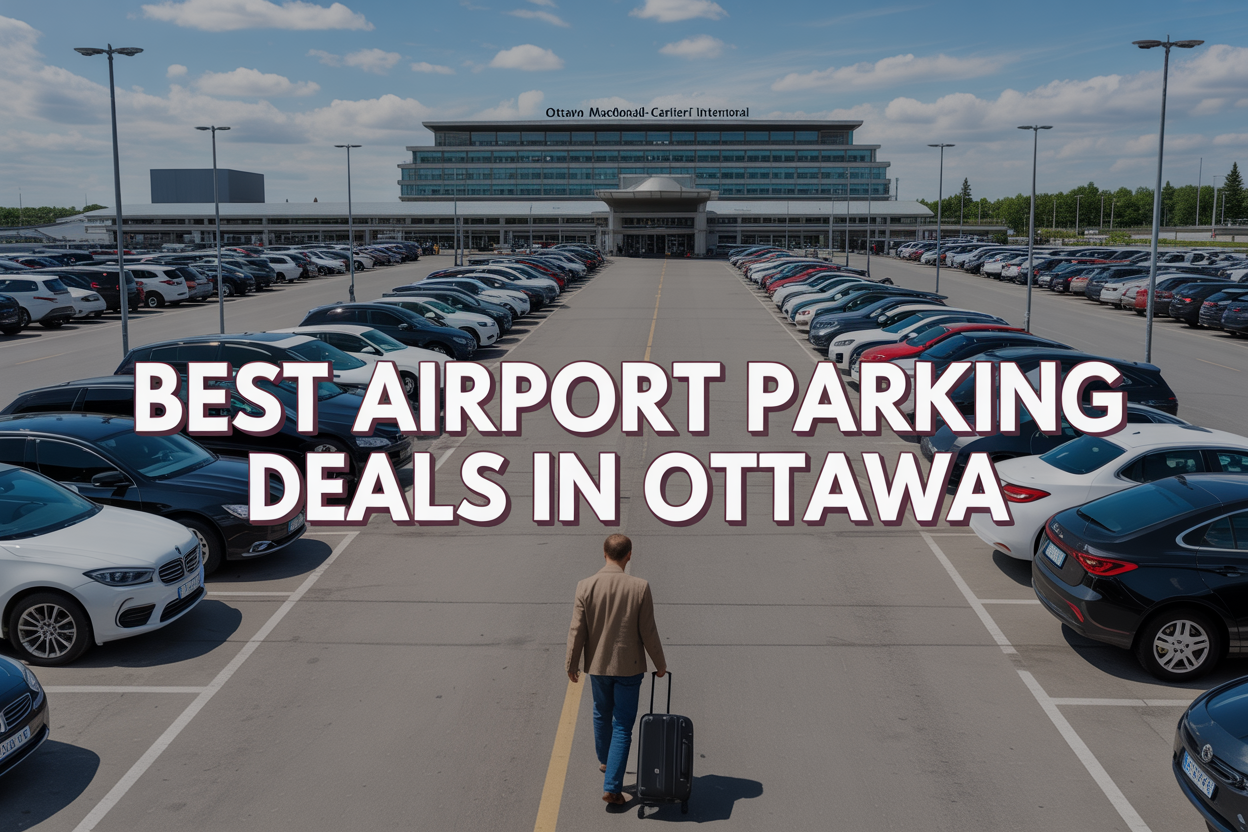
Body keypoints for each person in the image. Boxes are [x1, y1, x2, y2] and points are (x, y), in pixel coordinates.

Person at [565, 534, 667, 806]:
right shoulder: (640, 587)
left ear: (604, 552)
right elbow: (649, 632)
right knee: (622, 724)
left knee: (601, 712)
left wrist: (572, 664)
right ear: (629, 555)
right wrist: (660, 664)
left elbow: (577, 630)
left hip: (597, 666)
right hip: (629, 668)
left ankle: (605, 761)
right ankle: (612, 787)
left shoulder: (584, 586)